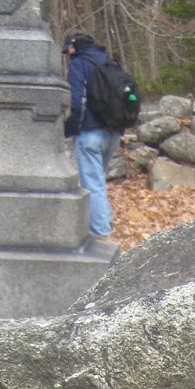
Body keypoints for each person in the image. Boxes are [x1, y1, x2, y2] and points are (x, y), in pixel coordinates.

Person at [63, 32, 120, 247]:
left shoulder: (79, 64)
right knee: (99, 182)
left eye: (67, 49)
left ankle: (101, 236)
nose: (67, 54)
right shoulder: (109, 62)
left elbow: (76, 102)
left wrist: (69, 129)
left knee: (93, 185)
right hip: (113, 133)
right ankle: (102, 226)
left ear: (74, 48)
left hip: (89, 134)